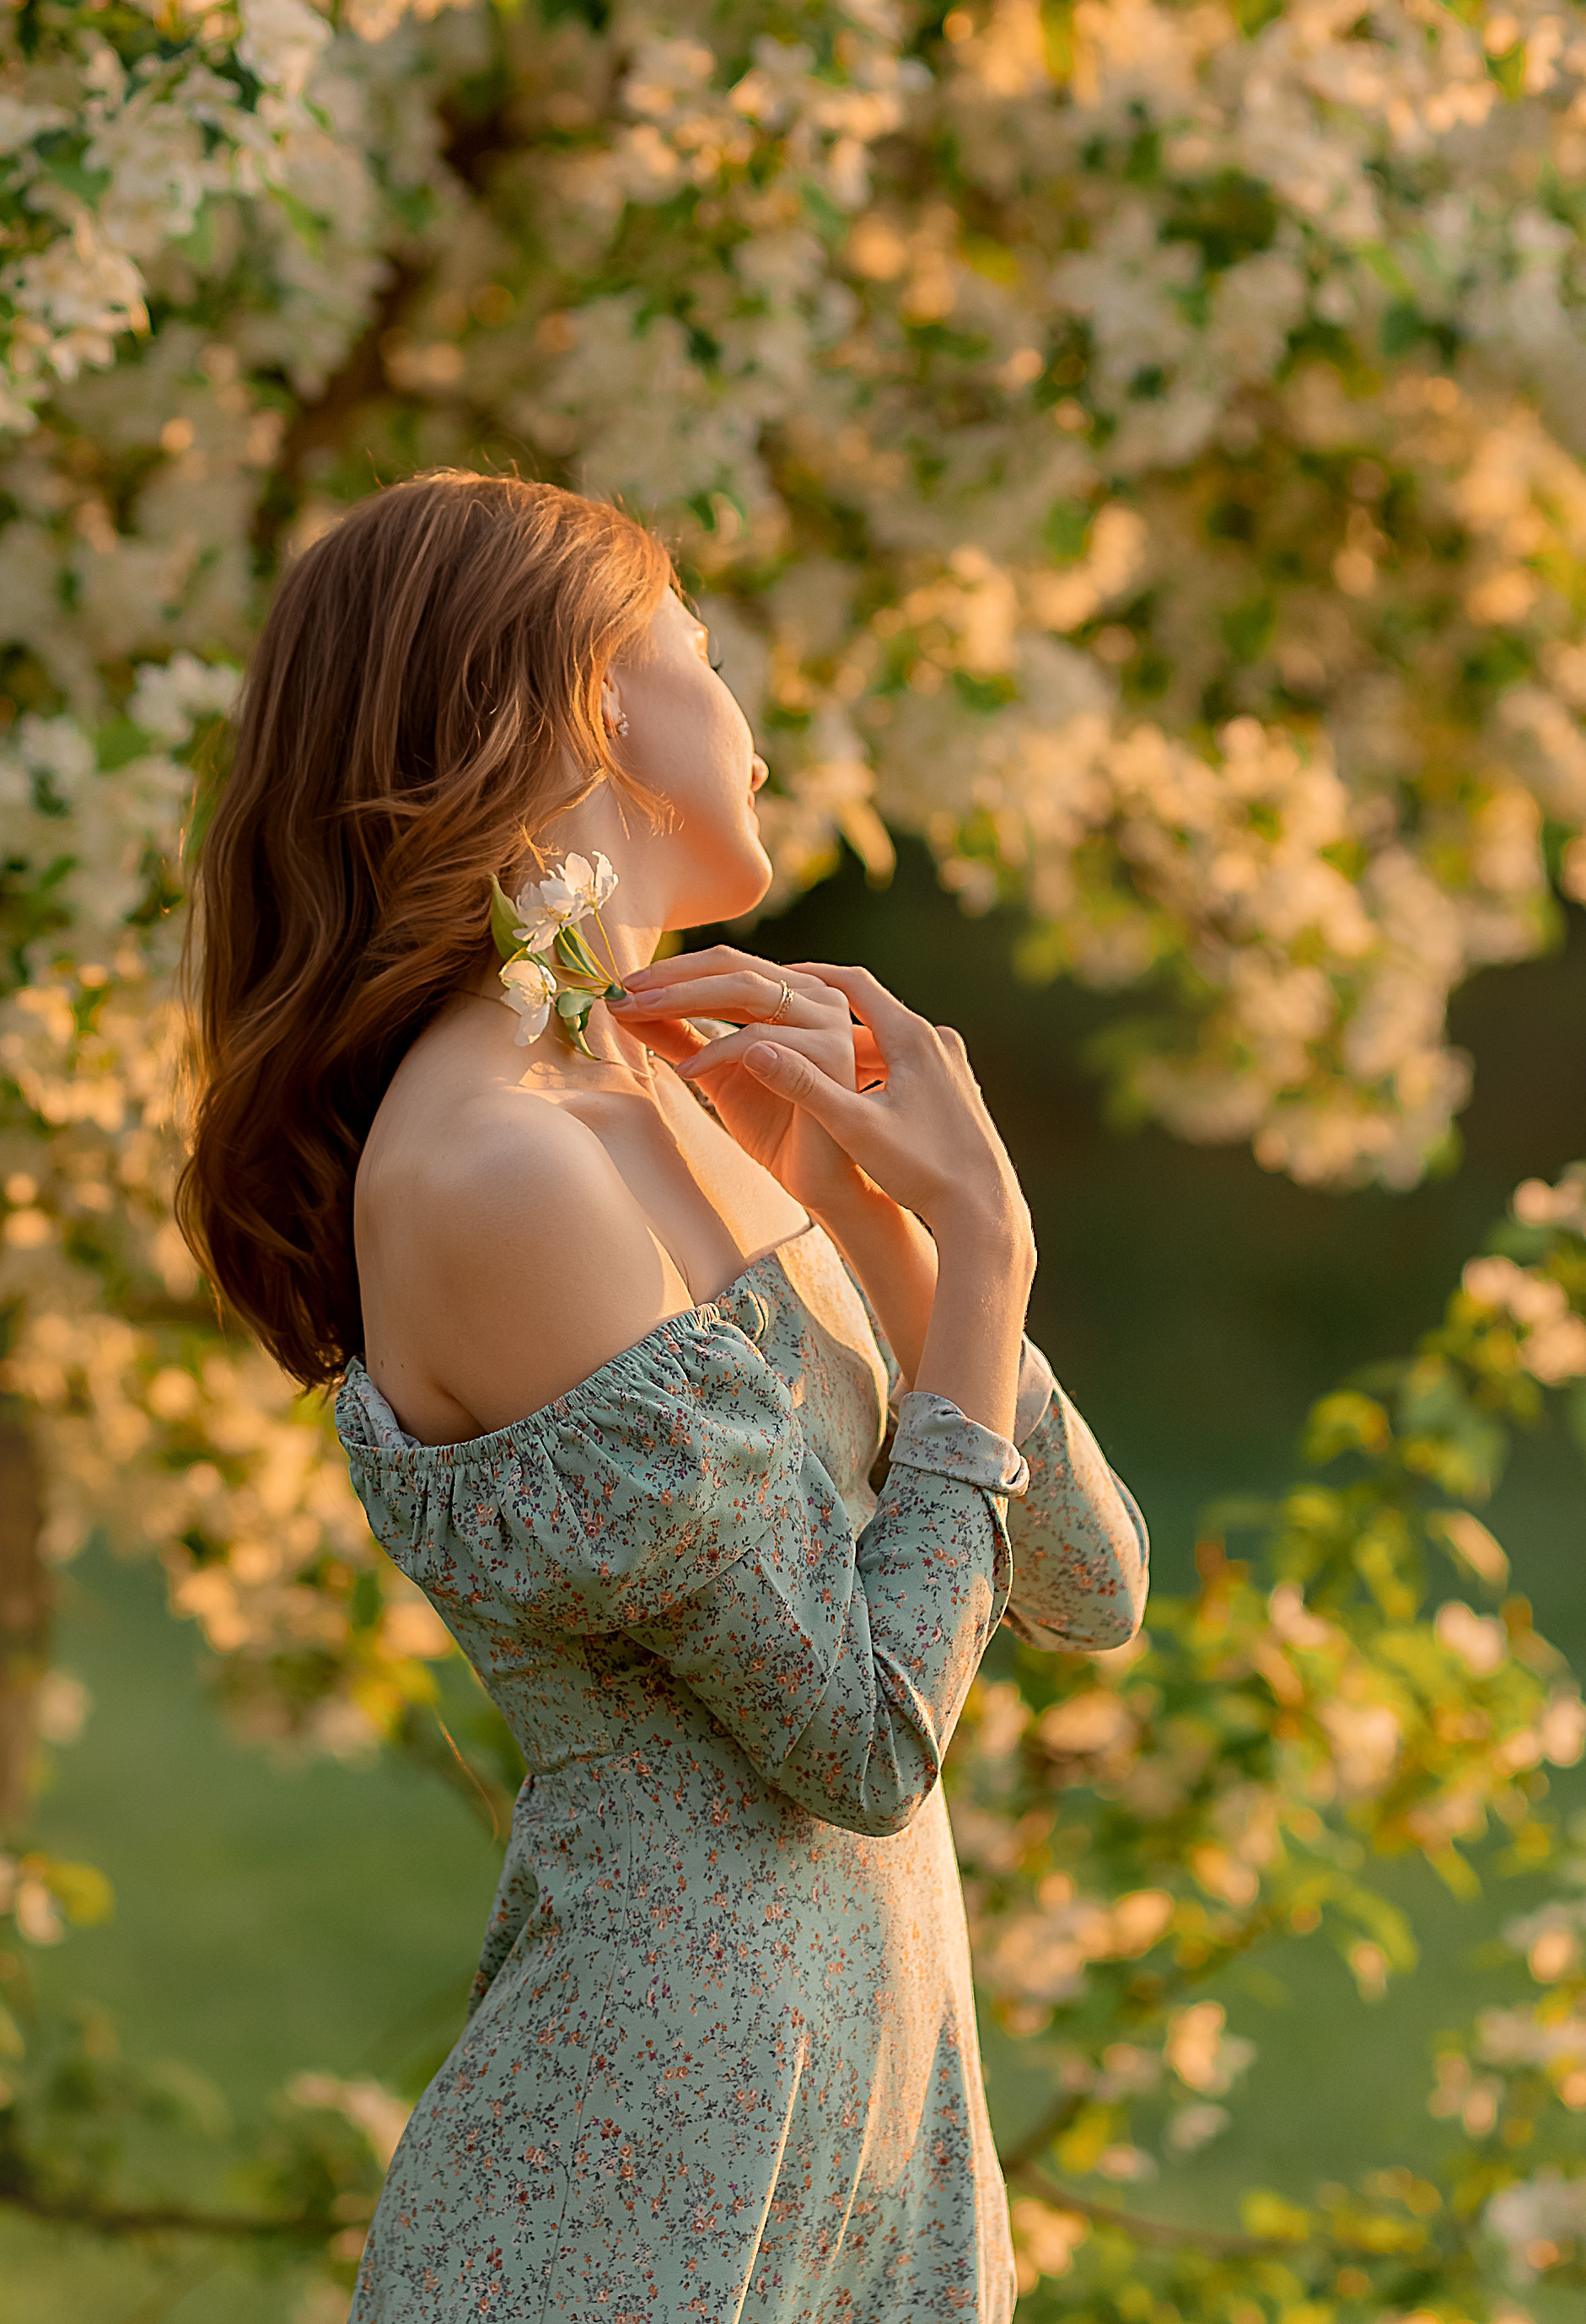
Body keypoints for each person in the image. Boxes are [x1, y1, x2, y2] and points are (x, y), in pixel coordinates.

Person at [177, 469, 1149, 2323]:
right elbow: (860, 1740)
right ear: (593, 700)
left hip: (874, 2130)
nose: (755, 716)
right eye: (702, 648)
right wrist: (995, 1247)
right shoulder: (492, 1171)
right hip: (645, 2186)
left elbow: (1085, 1583)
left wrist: (899, 1233)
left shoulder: (656, 1094)